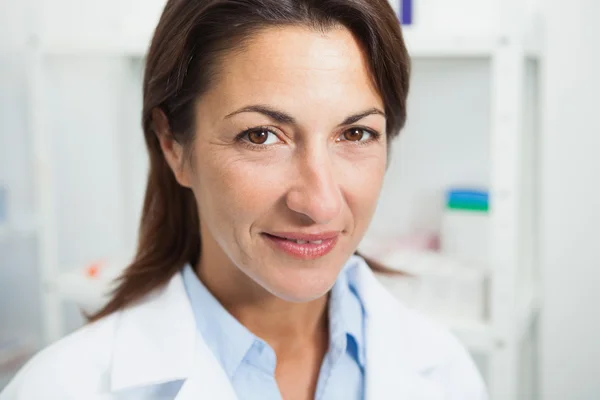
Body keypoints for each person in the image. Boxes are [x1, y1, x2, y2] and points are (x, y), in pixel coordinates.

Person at [1, 0, 488, 399]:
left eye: (356, 133)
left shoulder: (445, 373)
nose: (319, 203)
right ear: (174, 146)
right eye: (260, 136)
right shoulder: (60, 388)